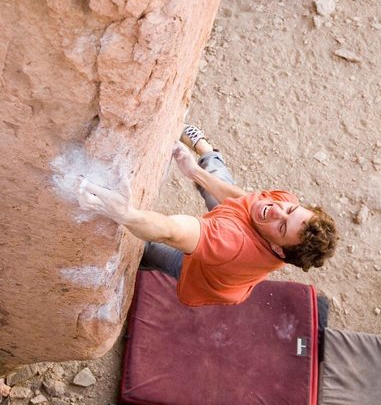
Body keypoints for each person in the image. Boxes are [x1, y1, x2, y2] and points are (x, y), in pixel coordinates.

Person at [78, 124, 338, 306]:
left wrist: (127, 215)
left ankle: (133, 256)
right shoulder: (285, 207)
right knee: (219, 185)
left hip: (205, 274)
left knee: (147, 247)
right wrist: (195, 172)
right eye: (290, 210)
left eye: (282, 226)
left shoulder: (231, 245)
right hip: (244, 242)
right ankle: (205, 147)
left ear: (278, 250)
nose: (276, 210)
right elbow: (246, 200)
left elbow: (172, 231)